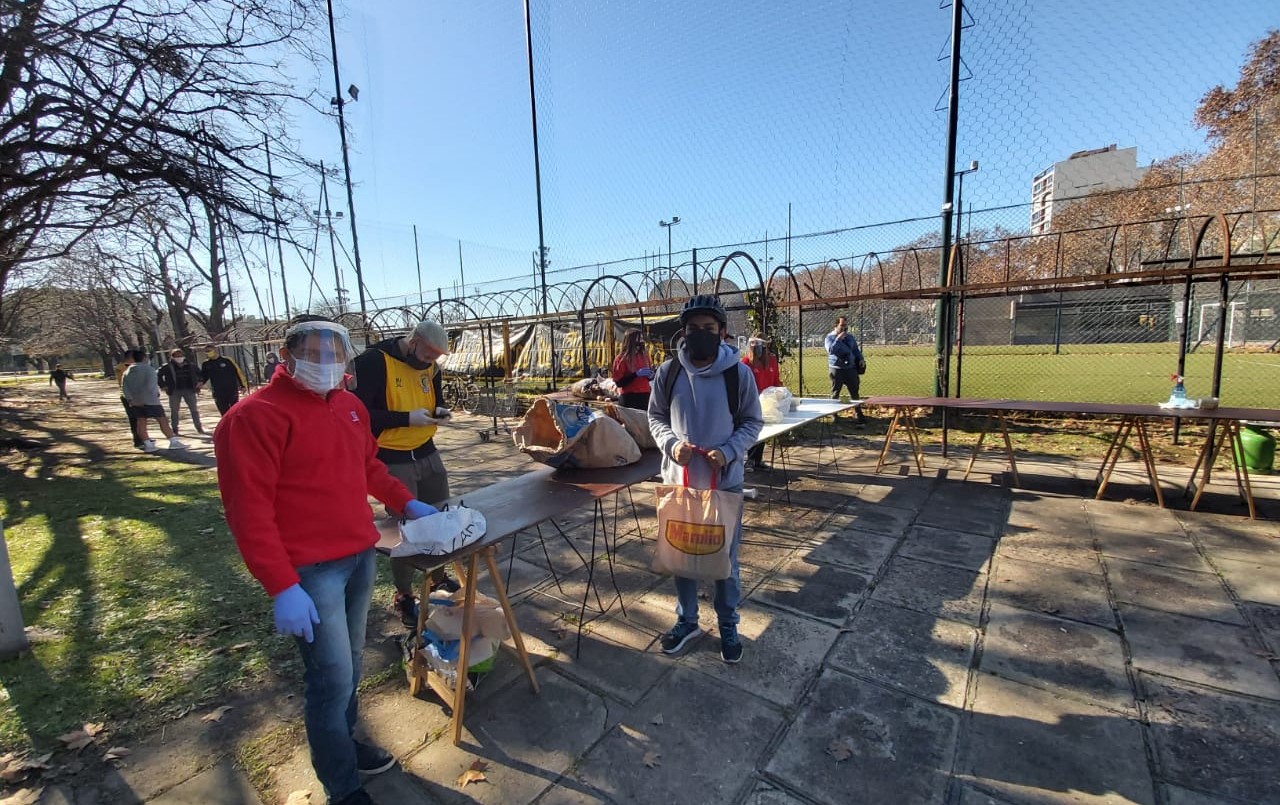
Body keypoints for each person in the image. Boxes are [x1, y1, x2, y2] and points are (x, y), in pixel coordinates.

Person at [214, 319, 438, 805]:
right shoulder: (253, 417)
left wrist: (407, 503)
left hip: (359, 556)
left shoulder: (350, 406)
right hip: (309, 572)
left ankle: (344, 742)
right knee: (330, 676)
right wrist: (280, 585)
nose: (324, 363)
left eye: (333, 353)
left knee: (350, 665)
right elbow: (248, 510)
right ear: (286, 354)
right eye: (312, 353)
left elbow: (369, 469)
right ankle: (341, 785)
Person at [649, 294, 763, 664]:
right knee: (681, 556)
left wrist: (728, 451)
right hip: (680, 482)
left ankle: (729, 624)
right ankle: (688, 621)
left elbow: (752, 422)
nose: (701, 334)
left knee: (723, 562)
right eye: (694, 328)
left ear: (723, 332)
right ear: (683, 331)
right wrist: (670, 444)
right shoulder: (669, 373)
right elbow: (655, 418)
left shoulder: (738, 373)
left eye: (709, 329)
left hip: (724, 484)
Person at [351, 319, 458, 628]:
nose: (430, 363)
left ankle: (437, 578)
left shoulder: (431, 367)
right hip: (391, 455)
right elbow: (359, 413)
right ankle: (404, 594)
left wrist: (440, 412)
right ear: (412, 342)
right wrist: (404, 419)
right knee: (405, 527)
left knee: (439, 515)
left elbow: (435, 400)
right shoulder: (374, 361)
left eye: (436, 358)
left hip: (426, 450)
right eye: (427, 355)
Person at [122, 350, 186, 452]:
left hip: (135, 401)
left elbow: (124, 387)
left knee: (141, 422)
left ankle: (148, 444)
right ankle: (173, 441)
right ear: (144, 358)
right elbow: (152, 385)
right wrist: (154, 394)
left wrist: (131, 399)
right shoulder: (149, 369)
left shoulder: (127, 371)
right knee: (162, 420)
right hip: (150, 400)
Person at [742, 333, 780, 471]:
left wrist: (781, 393)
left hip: (768, 402)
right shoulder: (745, 363)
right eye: (753, 344)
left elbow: (776, 379)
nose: (757, 348)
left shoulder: (772, 361)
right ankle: (750, 460)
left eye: (760, 345)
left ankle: (758, 460)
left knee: (765, 430)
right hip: (751, 402)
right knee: (753, 430)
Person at [825, 318, 868, 425]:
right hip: (837, 369)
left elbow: (855, 350)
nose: (844, 328)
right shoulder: (830, 337)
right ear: (835, 326)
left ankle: (858, 413)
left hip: (851, 369)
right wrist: (838, 339)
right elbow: (831, 350)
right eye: (842, 325)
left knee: (854, 392)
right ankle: (834, 414)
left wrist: (861, 359)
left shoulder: (850, 337)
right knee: (835, 392)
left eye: (846, 326)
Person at [159, 348, 206, 436]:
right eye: (176, 356)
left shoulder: (191, 365)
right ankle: (175, 429)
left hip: (189, 389)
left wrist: (200, 382)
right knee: (174, 410)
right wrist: (163, 386)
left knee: (194, 409)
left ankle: (199, 427)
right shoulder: (167, 367)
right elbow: (158, 375)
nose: (179, 357)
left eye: (180, 355)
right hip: (174, 391)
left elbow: (200, 374)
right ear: (172, 357)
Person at [610, 329, 653, 410]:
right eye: (638, 338)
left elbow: (649, 376)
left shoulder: (644, 356)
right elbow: (619, 383)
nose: (641, 341)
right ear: (631, 340)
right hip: (629, 397)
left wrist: (650, 375)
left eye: (641, 338)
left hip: (645, 395)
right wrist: (635, 375)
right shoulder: (621, 358)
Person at [201, 346, 248, 414]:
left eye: (210, 350)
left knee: (235, 411)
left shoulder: (227, 360)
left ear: (215, 350)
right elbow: (204, 377)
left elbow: (238, 372)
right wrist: (199, 384)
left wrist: (243, 385)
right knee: (224, 412)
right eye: (206, 351)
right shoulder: (206, 364)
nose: (208, 353)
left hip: (231, 389)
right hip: (218, 392)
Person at [116, 352, 144, 448]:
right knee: (133, 418)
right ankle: (137, 440)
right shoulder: (121, 368)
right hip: (128, 396)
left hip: (139, 395)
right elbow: (122, 383)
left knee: (141, 418)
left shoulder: (136, 366)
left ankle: (143, 437)